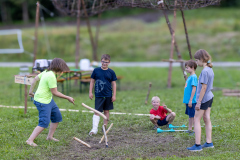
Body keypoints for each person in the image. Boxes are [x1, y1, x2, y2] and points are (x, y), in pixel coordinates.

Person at [26, 58, 75, 147]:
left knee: (57, 117)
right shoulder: (51, 76)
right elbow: (55, 92)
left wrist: (31, 91)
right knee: (44, 122)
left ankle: (49, 137)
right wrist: (67, 97)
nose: (62, 72)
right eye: (62, 69)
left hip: (48, 99)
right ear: (59, 68)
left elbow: (35, 80)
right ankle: (30, 140)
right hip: (42, 101)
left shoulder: (46, 72)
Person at [187, 49, 214, 151]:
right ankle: (209, 142)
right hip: (210, 97)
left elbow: (203, 88)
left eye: (197, 60)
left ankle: (197, 145)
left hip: (203, 99)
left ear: (202, 59)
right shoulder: (210, 69)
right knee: (207, 118)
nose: (196, 62)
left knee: (196, 119)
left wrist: (198, 102)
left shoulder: (204, 71)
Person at [89, 54, 117, 135]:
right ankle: (94, 129)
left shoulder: (111, 72)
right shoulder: (96, 70)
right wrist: (90, 92)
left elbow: (114, 84)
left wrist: (114, 95)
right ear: (100, 61)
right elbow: (92, 81)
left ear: (109, 62)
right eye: (103, 61)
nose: (104, 63)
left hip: (108, 95)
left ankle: (104, 126)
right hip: (98, 95)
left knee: (106, 111)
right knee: (97, 111)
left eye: (106, 62)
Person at [183, 60, 198, 135]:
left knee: (193, 116)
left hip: (192, 101)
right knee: (190, 116)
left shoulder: (194, 77)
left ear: (192, 68)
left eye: (187, 68)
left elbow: (194, 89)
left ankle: (195, 130)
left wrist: (190, 100)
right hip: (188, 101)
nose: (186, 69)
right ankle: (190, 129)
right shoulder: (190, 77)